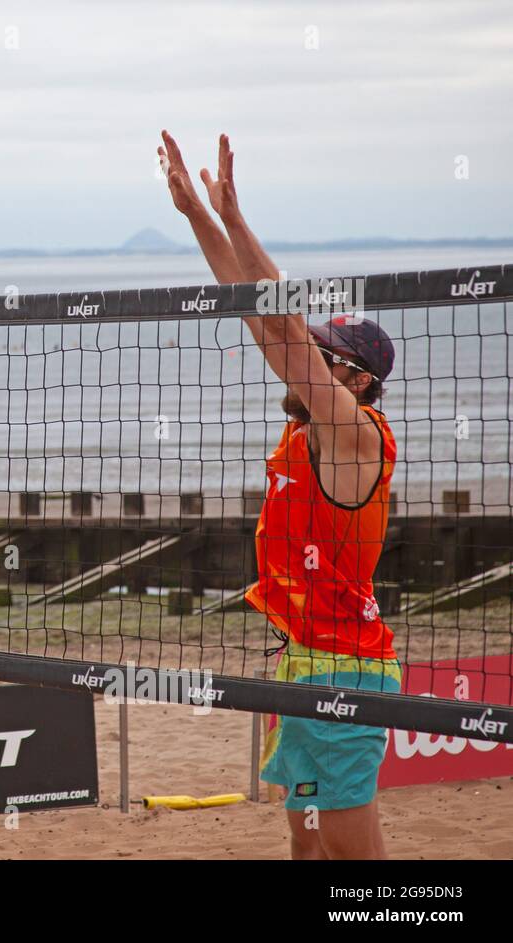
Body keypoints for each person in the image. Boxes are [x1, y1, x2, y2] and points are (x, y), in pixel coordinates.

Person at [159, 131, 401, 859]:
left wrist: (239, 221)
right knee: (306, 849)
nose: (305, 362)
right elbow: (263, 317)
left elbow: (288, 331)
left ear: (356, 381)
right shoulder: (307, 428)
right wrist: (201, 214)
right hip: (300, 656)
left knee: (358, 864)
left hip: (346, 669)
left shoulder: (354, 436)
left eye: (328, 358)